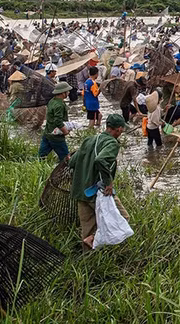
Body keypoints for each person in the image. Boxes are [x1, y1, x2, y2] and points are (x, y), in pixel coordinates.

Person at [69, 114, 129, 250]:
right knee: (123, 218)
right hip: (96, 191)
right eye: (122, 130)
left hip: (80, 191)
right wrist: (108, 182)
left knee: (87, 228)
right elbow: (100, 160)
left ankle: (88, 263)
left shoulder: (89, 140)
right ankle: (94, 239)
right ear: (118, 129)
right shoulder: (112, 143)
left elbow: (72, 162)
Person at [40, 81, 72, 161]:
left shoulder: (52, 101)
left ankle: (39, 167)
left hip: (47, 133)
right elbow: (58, 121)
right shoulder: (59, 105)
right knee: (66, 158)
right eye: (67, 91)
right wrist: (65, 131)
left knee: (42, 156)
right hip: (56, 137)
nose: (68, 93)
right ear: (62, 93)